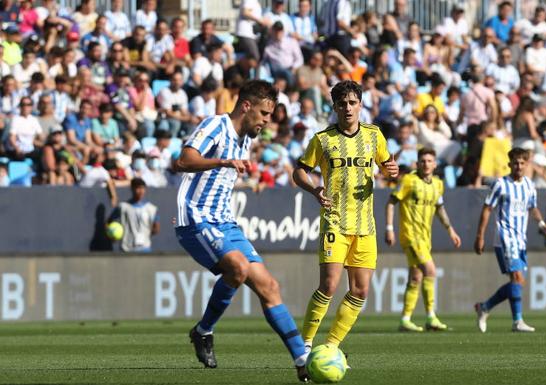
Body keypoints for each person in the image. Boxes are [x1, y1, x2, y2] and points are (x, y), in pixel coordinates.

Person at [172, 80, 309, 382]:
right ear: (246, 106)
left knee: (269, 287)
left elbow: (221, 179)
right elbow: (182, 161)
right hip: (195, 218)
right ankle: (205, 330)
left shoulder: (247, 136)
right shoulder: (216, 125)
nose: (266, 121)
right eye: (263, 113)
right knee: (238, 267)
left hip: (225, 221)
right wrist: (223, 160)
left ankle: (302, 358)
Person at [292, 80, 398, 351]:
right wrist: (314, 189)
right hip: (335, 221)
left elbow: (388, 165)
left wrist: (391, 171)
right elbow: (299, 171)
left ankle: (329, 348)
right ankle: (304, 346)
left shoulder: (374, 136)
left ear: (360, 105)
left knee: (360, 291)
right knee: (328, 285)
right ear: (335, 107)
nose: (348, 108)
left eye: (352, 103)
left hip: (365, 225)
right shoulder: (323, 139)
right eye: (342, 103)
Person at [474, 148, 546, 333]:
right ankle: (517, 321)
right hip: (504, 237)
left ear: (526, 165)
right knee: (517, 278)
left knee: (518, 282)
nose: (518, 166)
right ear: (509, 164)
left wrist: (541, 224)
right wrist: (480, 236)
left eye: (522, 163)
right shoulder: (501, 184)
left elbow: (532, 208)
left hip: (520, 239)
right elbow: (487, 209)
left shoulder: (529, 186)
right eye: (515, 163)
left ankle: (484, 307)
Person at [384, 147, 462, 332]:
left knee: (416, 277)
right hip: (410, 236)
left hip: (425, 238)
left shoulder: (438, 184)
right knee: (430, 271)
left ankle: (405, 319)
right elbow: (391, 202)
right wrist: (389, 229)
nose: (426, 164)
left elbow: (440, 208)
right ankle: (431, 316)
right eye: (423, 161)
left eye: (429, 161)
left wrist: (450, 230)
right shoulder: (408, 180)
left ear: (435, 164)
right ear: (417, 163)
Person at [109, 177, 159, 252]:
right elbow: (109, 221)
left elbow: (156, 229)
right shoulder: (123, 207)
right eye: (138, 188)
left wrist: (145, 233)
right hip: (127, 249)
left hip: (145, 249)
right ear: (132, 189)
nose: (141, 191)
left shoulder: (152, 208)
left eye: (142, 188)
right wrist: (113, 234)